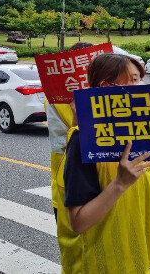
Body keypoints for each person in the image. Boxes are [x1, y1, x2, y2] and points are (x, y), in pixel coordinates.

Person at [58, 53, 150, 274]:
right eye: (134, 81)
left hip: (144, 265)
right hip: (103, 266)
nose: (142, 87)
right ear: (107, 87)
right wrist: (119, 184)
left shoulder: (146, 137)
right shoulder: (82, 140)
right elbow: (78, 222)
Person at [47, 42, 94, 221]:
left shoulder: (109, 97)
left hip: (109, 187)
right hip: (70, 187)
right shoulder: (55, 102)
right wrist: (77, 116)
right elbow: (64, 148)